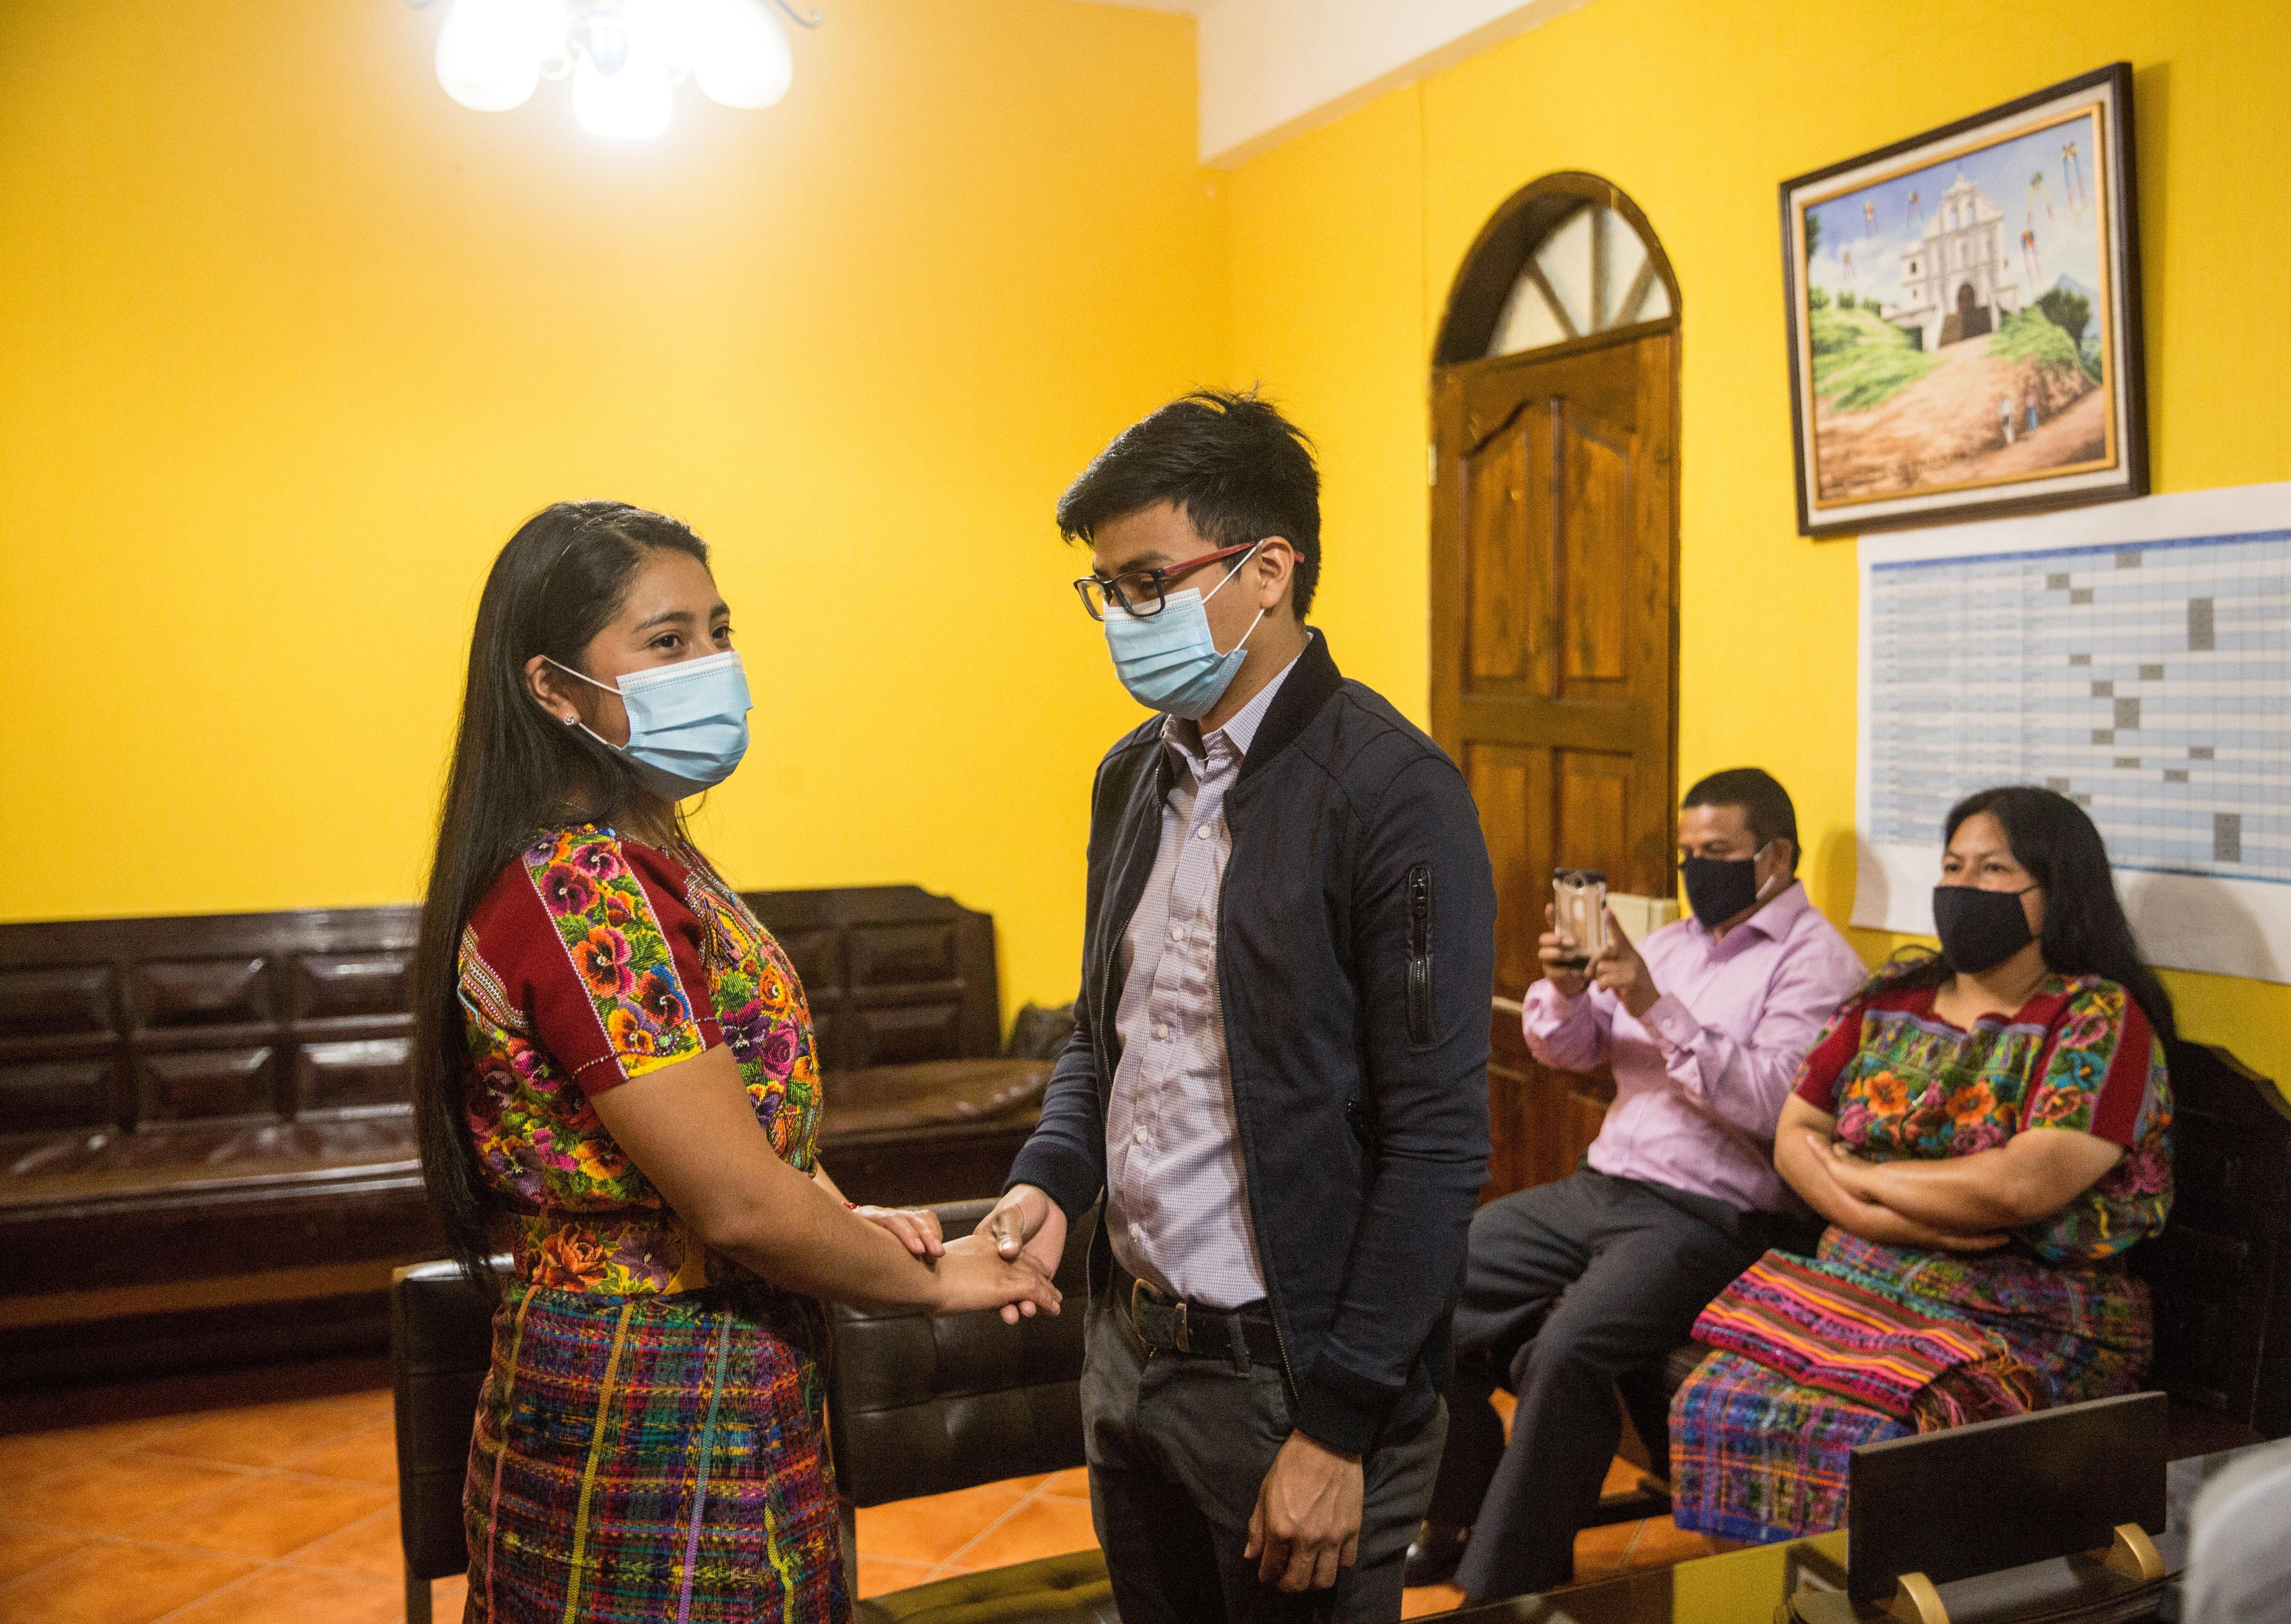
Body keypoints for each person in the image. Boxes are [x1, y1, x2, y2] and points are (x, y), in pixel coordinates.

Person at [408, 501, 1062, 1624]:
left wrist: (842, 1219)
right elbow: (735, 1202)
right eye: (667, 642)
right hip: (651, 1408)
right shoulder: (582, 886)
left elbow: (744, 1137)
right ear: (554, 688)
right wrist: (933, 1281)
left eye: (719, 629)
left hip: (716, 1368)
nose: (712, 664)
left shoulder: (648, 850)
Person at [976, 391, 1496, 1624]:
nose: (1123, 620)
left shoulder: (1394, 795)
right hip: (1131, 1356)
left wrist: (1340, 1430)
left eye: (1148, 581)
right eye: (1107, 592)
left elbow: (1436, 1145)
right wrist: (1050, 1180)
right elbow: (1105, 1040)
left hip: (1293, 1385)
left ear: (1269, 571)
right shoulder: (1133, 777)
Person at [1668, 785, 2175, 1544]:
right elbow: (1796, 1131)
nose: (1965, 889)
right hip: (1856, 1279)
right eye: (1953, 866)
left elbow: (2020, 1184)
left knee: (1876, 1441)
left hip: (2026, 1306)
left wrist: (1863, 1175)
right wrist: (1870, 1214)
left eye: (1995, 871)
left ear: (2058, 890)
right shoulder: (1892, 996)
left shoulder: (2095, 1017)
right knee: (1715, 1402)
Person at [1406, 769, 1867, 1600]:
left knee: (1568, 1350)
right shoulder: (1678, 941)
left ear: (1777, 855)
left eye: (1718, 852)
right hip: (1601, 1185)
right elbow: (1570, 1052)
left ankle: (1509, 1586)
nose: (1698, 869)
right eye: (1689, 852)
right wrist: (1572, 990)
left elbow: (1776, 1103)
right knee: (1423, 1281)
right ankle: (1453, 1508)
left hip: (1711, 1216)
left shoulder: (1820, 964)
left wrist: (1654, 1003)